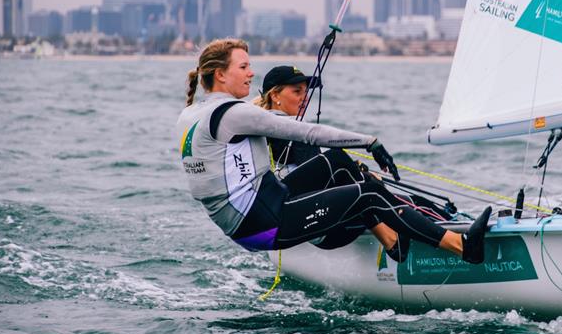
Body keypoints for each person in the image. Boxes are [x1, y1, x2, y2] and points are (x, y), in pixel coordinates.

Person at [176, 38, 491, 265]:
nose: (250, 73)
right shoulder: (235, 114)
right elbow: (309, 132)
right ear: (220, 74)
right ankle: (463, 247)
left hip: (260, 206)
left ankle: (395, 240)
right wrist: (369, 141)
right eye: (243, 67)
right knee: (368, 194)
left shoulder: (191, 114)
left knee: (338, 163)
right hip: (261, 222)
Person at [254, 65, 406, 259]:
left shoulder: (262, 128)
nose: (305, 97)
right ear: (275, 95)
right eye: (297, 91)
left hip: (301, 225)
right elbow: (322, 179)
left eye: (306, 91)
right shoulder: (291, 133)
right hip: (326, 229)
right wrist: (362, 178)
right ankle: (394, 241)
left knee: (377, 189)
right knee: (389, 196)